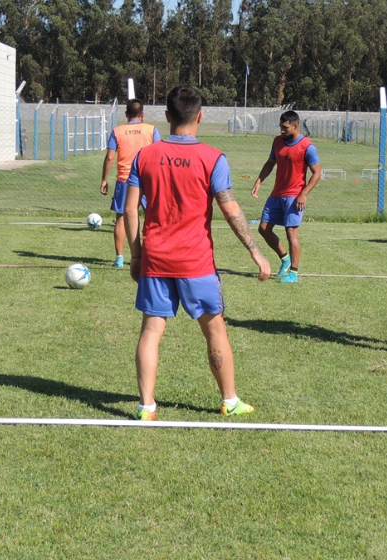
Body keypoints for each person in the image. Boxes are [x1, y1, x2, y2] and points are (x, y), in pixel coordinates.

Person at [124, 85, 271, 421]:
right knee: (215, 329)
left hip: (156, 259)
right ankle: (229, 401)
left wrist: (136, 255)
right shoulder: (212, 157)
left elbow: (131, 211)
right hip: (196, 262)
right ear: (200, 117)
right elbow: (231, 209)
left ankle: (146, 406)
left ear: (166, 116)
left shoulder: (144, 156)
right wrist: (255, 252)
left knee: (151, 330)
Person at [251, 110, 321, 283]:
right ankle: (285, 259)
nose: (281, 130)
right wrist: (259, 181)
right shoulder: (277, 142)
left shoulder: (307, 146)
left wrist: (303, 194)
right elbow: (270, 163)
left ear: (296, 126)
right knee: (263, 228)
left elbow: (317, 173)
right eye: (281, 127)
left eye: (285, 127)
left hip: (294, 196)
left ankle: (294, 273)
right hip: (276, 194)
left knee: (291, 234)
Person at [100, 99, 160, 268]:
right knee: (153, 217)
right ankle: (152, 256)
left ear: (126, 114)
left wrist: (104, 179)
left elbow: (110, 156)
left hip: (125, 180)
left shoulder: (117, 131)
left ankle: (119, 259)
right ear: (142, 114)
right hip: (148, 179)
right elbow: (159, 154)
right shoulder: (152, 130)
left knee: (121, 218)